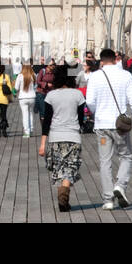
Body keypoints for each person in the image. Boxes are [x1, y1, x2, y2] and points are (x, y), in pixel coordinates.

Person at [85, 48, 132, 209]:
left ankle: (108, 199)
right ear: (116, 59)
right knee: (126, 156)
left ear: (101, 61)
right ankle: (120, 185)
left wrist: (97, 113)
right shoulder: (126, 75)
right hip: (120, 126)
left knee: (105, 161)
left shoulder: (95, 76)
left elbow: (89, 101)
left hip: (102, 126)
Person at [38, 68, 86, 211]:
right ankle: (63, 196)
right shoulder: (78, 94)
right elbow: (81, 119)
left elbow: (46, 121)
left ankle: (63, 196)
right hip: (73, 136)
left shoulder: (51, 95)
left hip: (55, 137)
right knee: (71, 168)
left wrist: (42, 144)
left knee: (58, 168)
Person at [15, 63, 36, 138]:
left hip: (23, 97)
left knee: (25, 114)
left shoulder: (20, 76)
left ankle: (27, 132)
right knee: (31, 113)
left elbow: (16, 88)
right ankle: (31, 130)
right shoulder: (33, 75)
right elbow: (35, 86)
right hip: (32, 96)